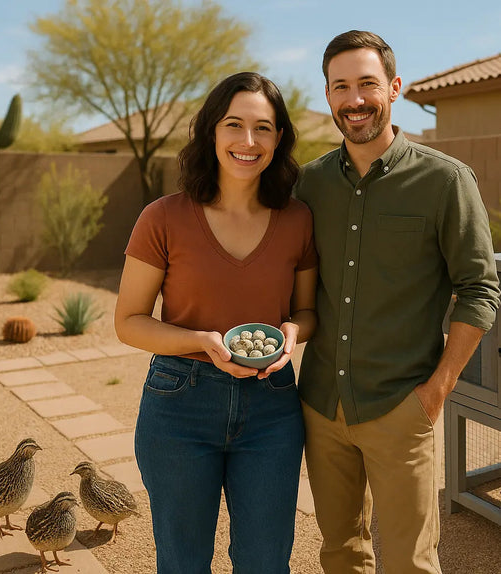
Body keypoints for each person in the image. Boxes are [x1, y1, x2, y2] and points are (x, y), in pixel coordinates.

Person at [295, 30, 500, 574]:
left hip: (401, 407)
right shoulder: (309, 185)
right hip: (320, 404)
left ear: (395, 88)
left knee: (410, 562)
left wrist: (438, 391)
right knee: (339, 553)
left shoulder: (445, 181)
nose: (354, 99)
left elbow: (480, 289)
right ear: (328, 96)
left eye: (367, 83)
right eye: (341, 87)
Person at [115, 71, 318, 574]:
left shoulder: (297, 219)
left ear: (279, 138)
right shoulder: (162, 218)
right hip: (179, 405)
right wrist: (200, 342)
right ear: (211, 131)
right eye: (234, 124)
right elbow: (129, 321)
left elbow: (306, 312)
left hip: (272, 408)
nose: (248, 141)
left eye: (264, 128)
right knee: (183, 562)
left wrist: (294, 333)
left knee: (266, 562)